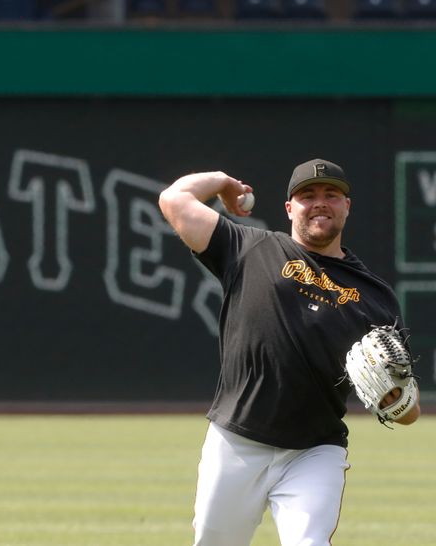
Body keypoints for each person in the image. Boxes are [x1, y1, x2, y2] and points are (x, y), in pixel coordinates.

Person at [157, 159, 421, 546]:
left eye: (331, 195)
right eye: (307, 195)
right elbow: (174, 199)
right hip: (237, 439)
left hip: (314, 451)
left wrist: (397, 400)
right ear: (289, 208)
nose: (319, 203)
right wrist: (224, 181)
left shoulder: (375, 297)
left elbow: (407, 410)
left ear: (347, 206)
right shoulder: (249, 249)